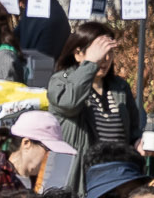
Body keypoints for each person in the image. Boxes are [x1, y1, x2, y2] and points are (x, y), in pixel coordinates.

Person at [49, 25, 147, 175]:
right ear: (78, 54)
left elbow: (133, 130)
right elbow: (69, 104)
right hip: (80, 177)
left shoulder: (119, 87)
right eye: (99, 53)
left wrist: (138, 143)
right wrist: (90, 64)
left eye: (110, 52)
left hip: (118, 174)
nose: (105, 59)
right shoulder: (61, 81)